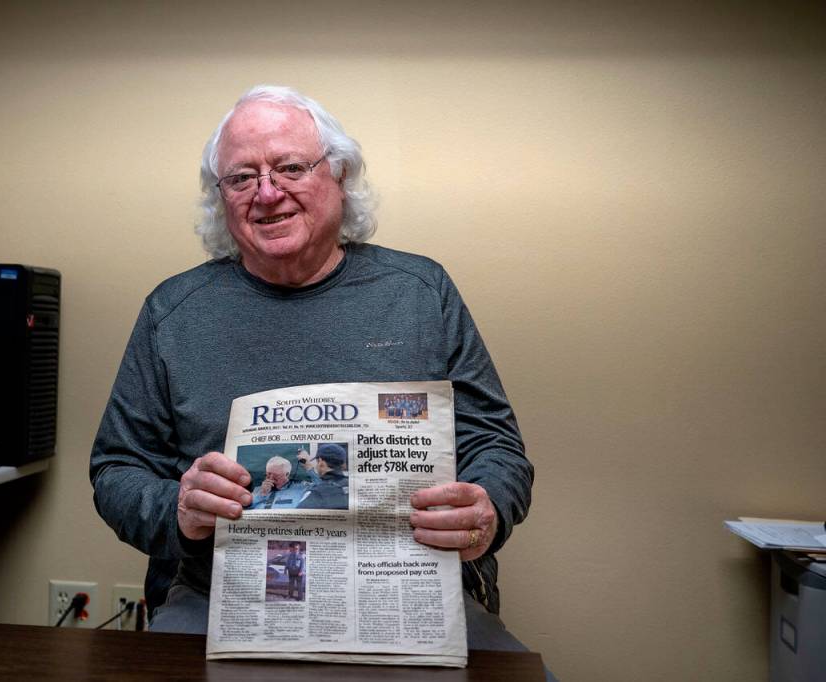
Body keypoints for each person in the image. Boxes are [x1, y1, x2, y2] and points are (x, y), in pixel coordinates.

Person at [89, 84, 536, 660]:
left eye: (290, 168)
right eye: (241, 178)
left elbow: (495, 444)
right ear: (222, 197)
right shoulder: (172, 312)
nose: (267, 193)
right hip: (219, 595)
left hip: (408, 589)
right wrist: (177, 507)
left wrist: (487, 507)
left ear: (339, 175)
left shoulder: (421, 293)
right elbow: (117, 469)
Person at [297, 444, 348, 510]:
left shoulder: (316, 493)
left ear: (321, 462)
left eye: (317, 462)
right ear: (344, 464)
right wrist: (309, 468)